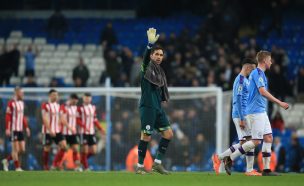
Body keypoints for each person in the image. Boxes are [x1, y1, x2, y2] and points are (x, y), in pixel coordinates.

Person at [223, 51, 289, 176]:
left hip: (262, 111)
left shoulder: (261, 74)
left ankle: (266, 169)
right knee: (256, 141)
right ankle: (230, 158)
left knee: (268, 137)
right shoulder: (257, 73)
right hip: (255, 112)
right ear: (264, 60)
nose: (271, 62)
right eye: (270, 60)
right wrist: (279, 102)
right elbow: (262, 91)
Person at [135, 28, 173, 175]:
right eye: (156, 54)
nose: (159, 57)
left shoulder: (159, 72)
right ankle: (139, 166)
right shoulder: (147, 68)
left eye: (161, 55)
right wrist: (150, 45)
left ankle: (157, 164)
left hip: (157, 108)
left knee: (168, 133)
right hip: (148, 107)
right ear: (151, 56)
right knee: (146, 136)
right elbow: (144, 60)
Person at [212, 58, 259, 176]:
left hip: (243, 114)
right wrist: (242, 118)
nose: (253, 72)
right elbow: (237, 100)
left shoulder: (246, 80)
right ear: (247, 67)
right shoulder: (241, 80)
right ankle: (248, 169)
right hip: (240, 115)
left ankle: (220, 158)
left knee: (245, 143)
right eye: (252, 69)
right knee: (251, 141)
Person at [2, 87, 31, 171]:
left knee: (22, 150)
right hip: (13, 129)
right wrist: (7, 128)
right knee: (15, 149)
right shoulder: (11, 103)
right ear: (17, 93)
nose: (23, 95)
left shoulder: (21, 103)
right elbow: (7, 116)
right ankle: (17, 167)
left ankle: (6, 160)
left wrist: (27, 127)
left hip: (20, 130)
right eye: (22, 93)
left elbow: (22, 117)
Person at [77, 93, 105, 171]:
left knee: (94, 150)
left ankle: (81, 162)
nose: (87, 99)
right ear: (83, 99)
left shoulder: (93, 107)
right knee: (85, 150)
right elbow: (77, 119)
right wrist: (84, 127)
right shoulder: (80, 108)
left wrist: (100, 128)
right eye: (86, 98)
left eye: (89, 98)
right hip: (83, 132)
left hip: (92, 132)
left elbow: (95, 120)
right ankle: (86, 167)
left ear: (91, 99)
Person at [41, 89, 67, 170]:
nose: (56, 96)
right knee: (47, 148)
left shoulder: (59, 106)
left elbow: (61, 118)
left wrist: (60, 126)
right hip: (47, 130)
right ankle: (45, 167)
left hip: (57, 130)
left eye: (57, 95)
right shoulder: (45, 105)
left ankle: (55, 164)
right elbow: (44, 118)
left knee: (64, 146)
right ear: (49, 96)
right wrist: (50, 130)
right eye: (54, 95)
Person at [60, 94, 82, 171]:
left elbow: (77, 119)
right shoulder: (64, 106)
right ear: (70, 99)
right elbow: (62, 119)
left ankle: (77, 167)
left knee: (76, 149)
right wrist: (70, 127)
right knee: (64, 149)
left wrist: (80, 127)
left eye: (76, 100)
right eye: (74, 100)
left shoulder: (76, 108)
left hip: (73, 133)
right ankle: (57, 165)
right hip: (64, 132)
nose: (75, 102)